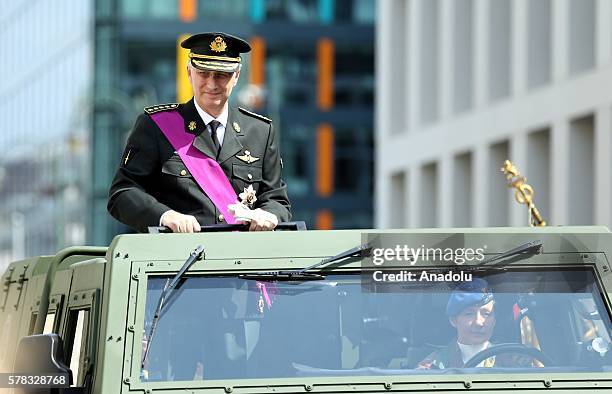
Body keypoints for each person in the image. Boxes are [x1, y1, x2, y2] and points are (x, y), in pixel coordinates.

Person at [108, 32, 291, 233]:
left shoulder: (260, 132)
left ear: (236, 76)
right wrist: (164, 216)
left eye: (221, 75)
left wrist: (268, 214)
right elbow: (123, 193)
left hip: (243, 259)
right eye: (203, 73)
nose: (212, 84)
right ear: (189, 73)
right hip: (179, 258)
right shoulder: (155, 126)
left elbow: (277, 199)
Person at [416, 278, 533, 369]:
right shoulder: (433, 365)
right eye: (469, 314)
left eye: (486, 314)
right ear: (453, 320)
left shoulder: (513, 361)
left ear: (494, 321)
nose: (479, 322)